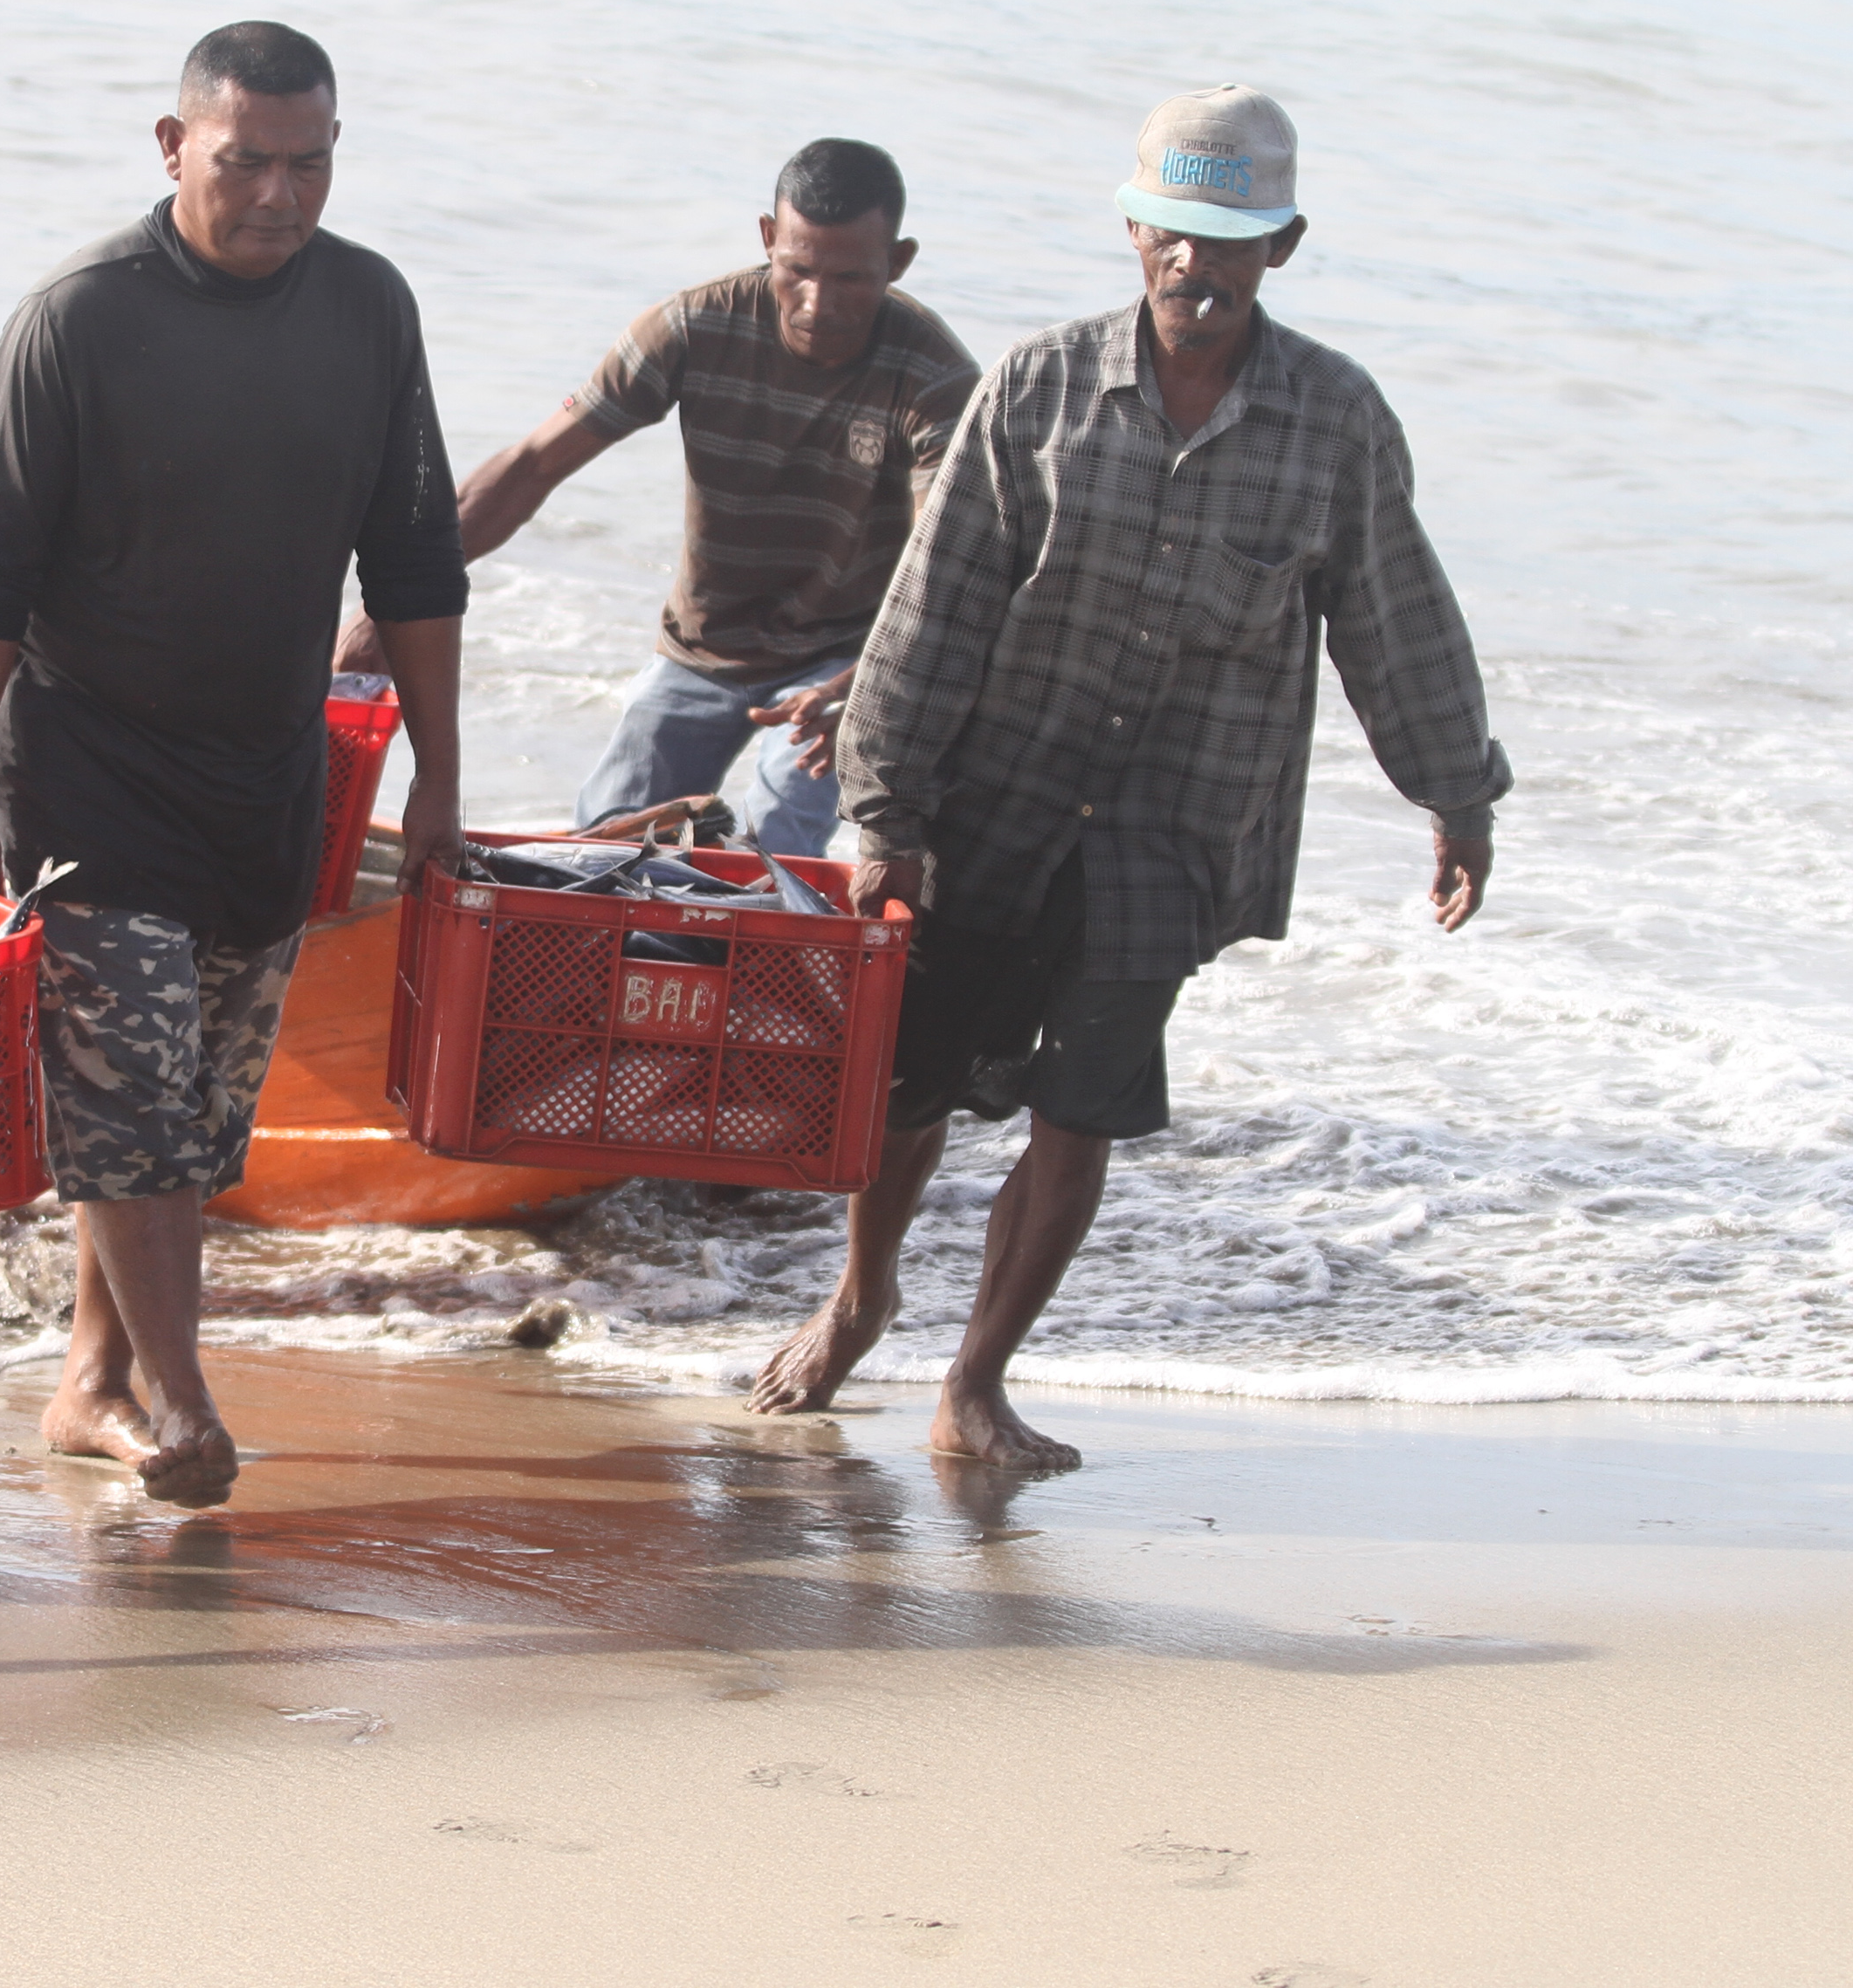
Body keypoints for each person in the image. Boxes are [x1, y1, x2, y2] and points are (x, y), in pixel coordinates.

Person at [755, 86, 1510, 1470]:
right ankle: (862, 1294)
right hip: (996, 796)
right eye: (1171, 229)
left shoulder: (1334, 422)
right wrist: (883, 809)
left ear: (1279, 247)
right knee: (909, 1083)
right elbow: (934, 608)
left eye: (1225, 240)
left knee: (1085, 1099)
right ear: (1132, 225)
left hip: (1173, 822)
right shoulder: (1037, 387)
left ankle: (975, 1382)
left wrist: (1457, 793)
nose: (1192, 263)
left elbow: (1394, 615)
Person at [0, 24, 468, 1507]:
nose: (283, 195)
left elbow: (416, 563)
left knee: (196, 1120)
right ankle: (183, 1396)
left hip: (266, 778)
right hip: (88, 768)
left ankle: (91, 1380)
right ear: (173, 149)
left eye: (311, 163)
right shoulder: (78, 323)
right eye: (247, 163)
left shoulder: (368, 308)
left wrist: (442, 792)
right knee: (126, 1101)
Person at [339, 140, 974, 857]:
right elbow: (532, 466)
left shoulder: (936, 378)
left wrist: (867, 689)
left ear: (900, 260)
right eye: (797, 270)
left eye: (852, 278)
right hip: (701, 646)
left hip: (837, 662)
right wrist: (381, 616)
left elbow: (942, 576)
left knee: (781, 844)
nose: (817, 303)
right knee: (601, 845)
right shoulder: (693, 327)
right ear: (768, 237)